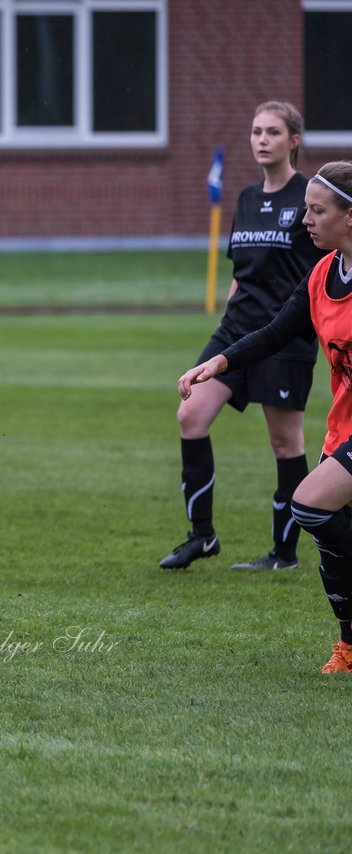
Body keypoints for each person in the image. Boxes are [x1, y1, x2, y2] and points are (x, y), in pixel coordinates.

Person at [178, 161, 352, 673]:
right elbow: (276, 332)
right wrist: (219, 362)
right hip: (343, 428)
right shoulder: (323, 274)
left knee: (311, 505)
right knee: (333, 544)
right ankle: (348, 647)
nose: (306, 221)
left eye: (317, 211)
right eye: (306, 211)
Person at [161, 102, 327, 571]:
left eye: (273, 132)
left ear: (293, 139)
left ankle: (284, 553)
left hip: (285, 335)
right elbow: (241, 273)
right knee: (190, 415)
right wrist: (228, 316)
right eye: (256, 131)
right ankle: (202, 536)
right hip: (236, 331)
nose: (262, 140)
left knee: (283, 442)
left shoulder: (309, 198)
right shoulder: (246, 199)